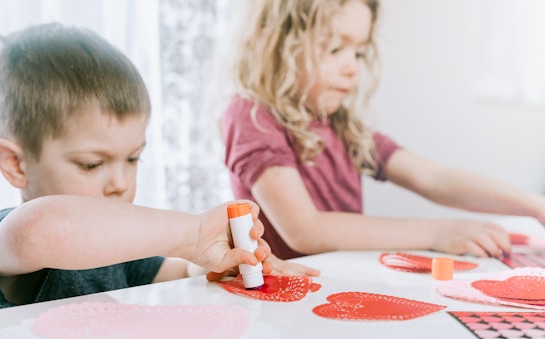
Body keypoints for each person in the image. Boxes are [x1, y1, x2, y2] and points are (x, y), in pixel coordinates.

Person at [0, 23, 318, 311]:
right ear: (16, 164)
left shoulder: (121, 251)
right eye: (92, 164)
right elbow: (42, 229)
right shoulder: (2, 239)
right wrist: (192, 232)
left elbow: (178, 269)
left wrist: (219, 261)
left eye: (133, 158)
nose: (120, 183)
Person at [220, 0, 545, 260]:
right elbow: (305, 230)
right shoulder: (251, 117)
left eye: (359, 53)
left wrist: (533, 205)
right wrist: (435, 233)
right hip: (281, 307)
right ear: (276, 43)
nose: (352, 67)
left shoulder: (340, 125)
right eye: (334, 48)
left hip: (336, 286)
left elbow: (432, 178)